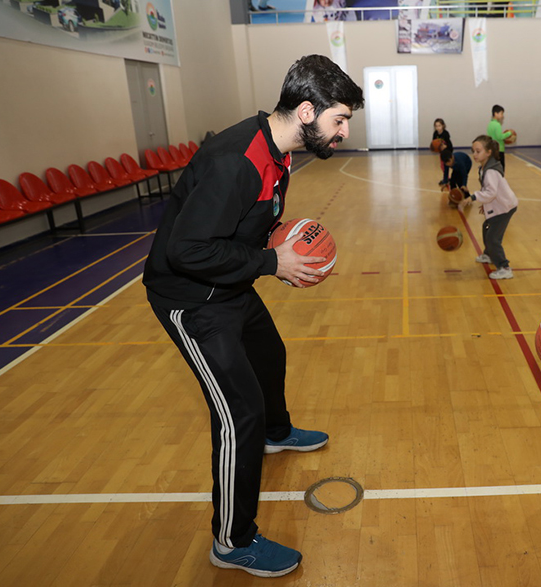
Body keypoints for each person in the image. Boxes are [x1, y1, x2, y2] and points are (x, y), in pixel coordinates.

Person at [142, 55, 364, 578]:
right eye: (339, 120)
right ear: (307, 111)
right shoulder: (236, 160)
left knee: (270, 353)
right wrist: (272, 261)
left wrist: (273, 245)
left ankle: (277, 430)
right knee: (237, 414)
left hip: (230, 281)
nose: (344, 131)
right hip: (190, 298)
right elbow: (186, 250)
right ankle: (232, 540)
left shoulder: (279, 150)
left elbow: (246, 222)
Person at [458, 135, 518, 280]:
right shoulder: (484, 168)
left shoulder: (491, 171)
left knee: (492, 238)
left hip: (505, 207)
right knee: (486, 227)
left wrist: (472, 198)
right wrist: (485, 205)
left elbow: (490, 193)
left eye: (478, 151)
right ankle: (489, 255)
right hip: (498, 205)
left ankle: (504, 267)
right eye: (473, 151)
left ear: (489, 152)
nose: (475, 154)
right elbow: (488, 190)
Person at [486, 105, 512, 171]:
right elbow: (500, 137)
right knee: (500, 169)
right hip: (499, 149)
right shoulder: (497, 125)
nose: (502, 116)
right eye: (501, 113)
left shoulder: (490, 124)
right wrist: (509, 133)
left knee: (493, 168)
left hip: (492, 149)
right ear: (495, 113)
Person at [432, 118, 453, 186]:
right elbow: (434, 142)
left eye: (439, 125)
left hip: (448, 150)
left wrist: (445, 146)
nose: (438, 127)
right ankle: (447, 178)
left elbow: (448, 143)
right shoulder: (435, 133)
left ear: (443, 126)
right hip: (441, 151)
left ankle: (446, 179)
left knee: (446, 165)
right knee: (442, 166)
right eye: (436, 126)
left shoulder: (445, 133)